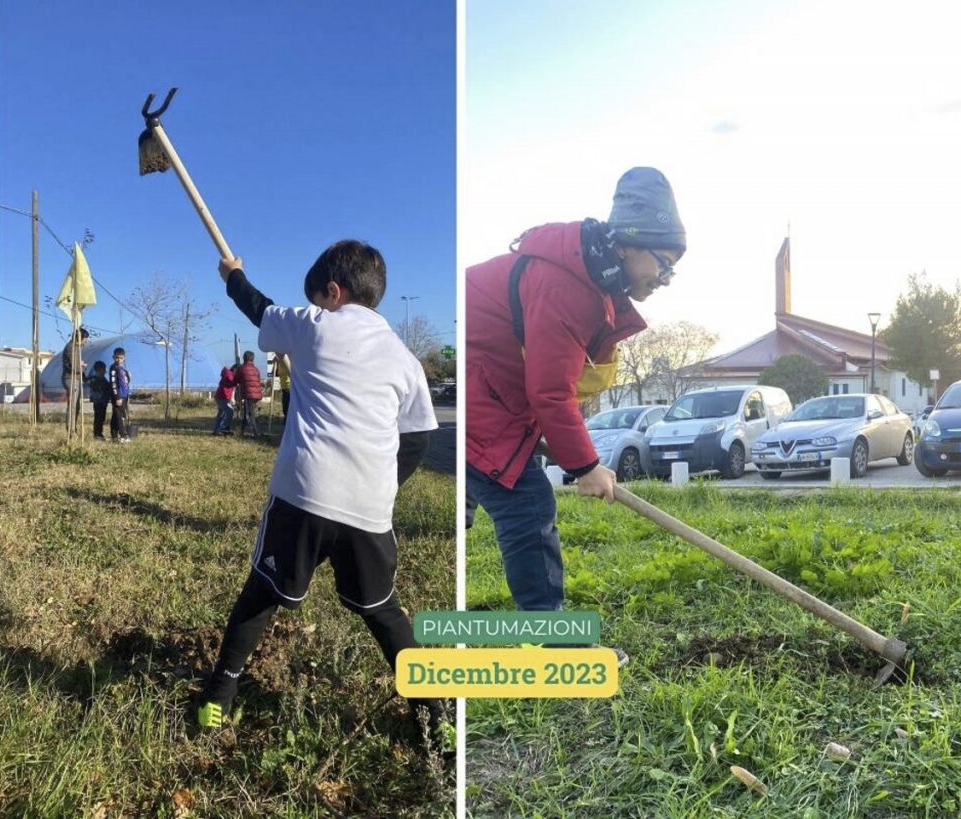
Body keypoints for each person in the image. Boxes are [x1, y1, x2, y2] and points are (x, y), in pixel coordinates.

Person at [198, 240, 443, 743]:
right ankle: (437, 720)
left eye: (315, 298)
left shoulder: (315, 325)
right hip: (370, 511)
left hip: (304, 494)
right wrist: (383, 483)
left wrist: (232, 275)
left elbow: (260, 309)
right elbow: (418, 439)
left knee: (261, 595)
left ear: (333, 292)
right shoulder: (405, 359)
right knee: (383, 611)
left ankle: (216, 702)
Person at [465, 167, 686, 659]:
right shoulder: (569, 286)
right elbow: (548, 390)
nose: (666, 279)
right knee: (526, 506)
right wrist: (585, 467)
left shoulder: (587, 276)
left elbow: (547, 378)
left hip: (492, 389)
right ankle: (560, 649)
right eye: (663, 264)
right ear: (629, 244)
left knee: (477, 484)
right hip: (484, 398)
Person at [60, 327, 89, 431]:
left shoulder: (76, 348)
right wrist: (82, 365)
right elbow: (73, 366)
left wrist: (85, 377)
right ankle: (71, 430)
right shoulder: (71, 348)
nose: (86, 342)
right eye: (85, 339)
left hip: (76, 378)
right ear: (79, 338)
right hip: (71, 379)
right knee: (73, 406)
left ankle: (73, 428)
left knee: (76, 406)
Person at [235, 350, 263, 438]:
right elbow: (258, 380)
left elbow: (236, 379)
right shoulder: (256, 369)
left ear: (244, 358)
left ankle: (255, 434)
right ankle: (242, 431)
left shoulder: (242, 368)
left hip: (248, 394)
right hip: (257, 394)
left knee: (250, 414)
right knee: (247, 412)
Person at [109, 346, 132, 443]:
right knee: (120, 416)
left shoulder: (122, 369)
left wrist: (129, 376)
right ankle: (123, 435)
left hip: (124, 395)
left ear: (124, 358)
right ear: (113, 357)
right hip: (118, 396)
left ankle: (114, 434)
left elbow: (125, 381)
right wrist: (117, 397)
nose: (119, 360)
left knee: (116, 415)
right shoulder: (113, 368)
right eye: (117, 357)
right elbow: (113, 383)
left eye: (121, 358)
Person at [86, 361, 110, 441]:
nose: (105, 371)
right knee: (98, 418)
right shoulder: (94, 379)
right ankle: (97, 434)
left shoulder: (103, 379)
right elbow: (86, 381)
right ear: (98, 370)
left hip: (103, 402)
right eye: (103, 370)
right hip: (98, 402)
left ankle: (99, 433)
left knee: (101, 418)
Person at [212, 364, 238, 436]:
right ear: (235, 369)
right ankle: (224, 428)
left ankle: (216, 430)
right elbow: (231, 384)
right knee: (230, 411)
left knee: (221, 414)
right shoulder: (229, 374)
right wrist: (236, 382)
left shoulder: (230, 375)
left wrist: (232, 398)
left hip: (221, 397)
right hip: (222, 397)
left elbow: (233, 388)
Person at [274, 354, 291, 421]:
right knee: (285, 405)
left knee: (288, 405)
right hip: (284, 387)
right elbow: (276, 374)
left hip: (290, 387)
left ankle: (288, 421)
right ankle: (286, 420)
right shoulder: (279, 363)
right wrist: (275, 363)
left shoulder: (289, 359)